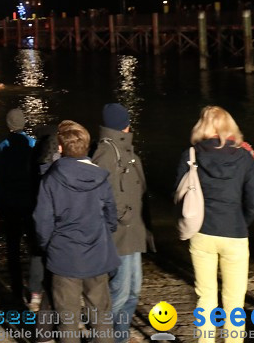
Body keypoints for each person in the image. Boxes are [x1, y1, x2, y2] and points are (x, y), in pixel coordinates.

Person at [177, 106, 254, 340]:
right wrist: (241, 222)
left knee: (205, 297)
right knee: (234, 302)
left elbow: (180, 196)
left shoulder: (191, 155)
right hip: (234, 232)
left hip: (202, 232)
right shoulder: (244, 156)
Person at [34, 120, 119, 341]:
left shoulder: (51, 179)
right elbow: (111, 215)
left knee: (67, 320)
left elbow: (42, 221)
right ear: (86, 147)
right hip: (97, 256)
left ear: (61, 148)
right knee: (101, 317)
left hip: (65, 256)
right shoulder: (100, 177)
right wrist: (103, 236)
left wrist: (48, 245)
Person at [92, 103, 150, 341]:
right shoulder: (106, 153)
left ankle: (121, 337)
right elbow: (101, 193)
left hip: (133, 232)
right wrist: (123, 215)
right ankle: (103, 337)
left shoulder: (124, 150)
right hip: (121, 234)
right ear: (124, 124)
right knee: (120, 292)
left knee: (133, 290)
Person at [0, 107, 41, 307]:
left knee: (13, 248)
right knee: (34, 245)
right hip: (30, 202)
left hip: (10, 203)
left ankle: (16, 290)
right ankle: (35, 290)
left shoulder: (3, 146)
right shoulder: (33, 144)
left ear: (8, 124)